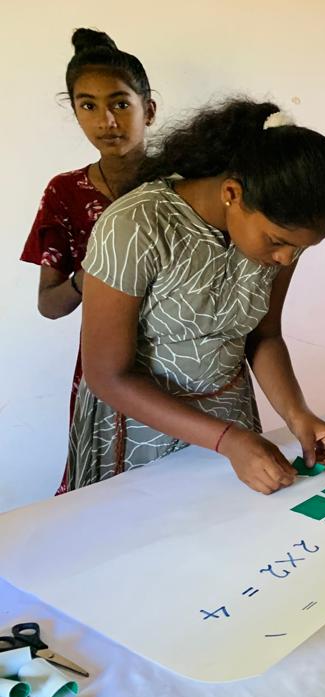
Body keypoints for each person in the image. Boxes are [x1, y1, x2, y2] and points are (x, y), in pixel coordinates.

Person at [71, 99, 325, 495]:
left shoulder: (279, 239)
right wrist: (226, 440)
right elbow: (107, 374)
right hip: (141, 428)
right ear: (232, 193)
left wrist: (298, 415)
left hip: (232, 420)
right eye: (279, 243)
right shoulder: (136, 225)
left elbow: (264, 336)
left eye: (298, 250)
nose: (285, 259)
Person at [19, 28, 155, 494]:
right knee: (105, 498)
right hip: (104, 366)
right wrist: (90, 275)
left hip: (184, 360)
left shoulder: (183, 186)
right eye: (87, 105)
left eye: (120, 103)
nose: (106, 120)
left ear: (148, 110)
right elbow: (50, 304)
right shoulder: (65, 194)